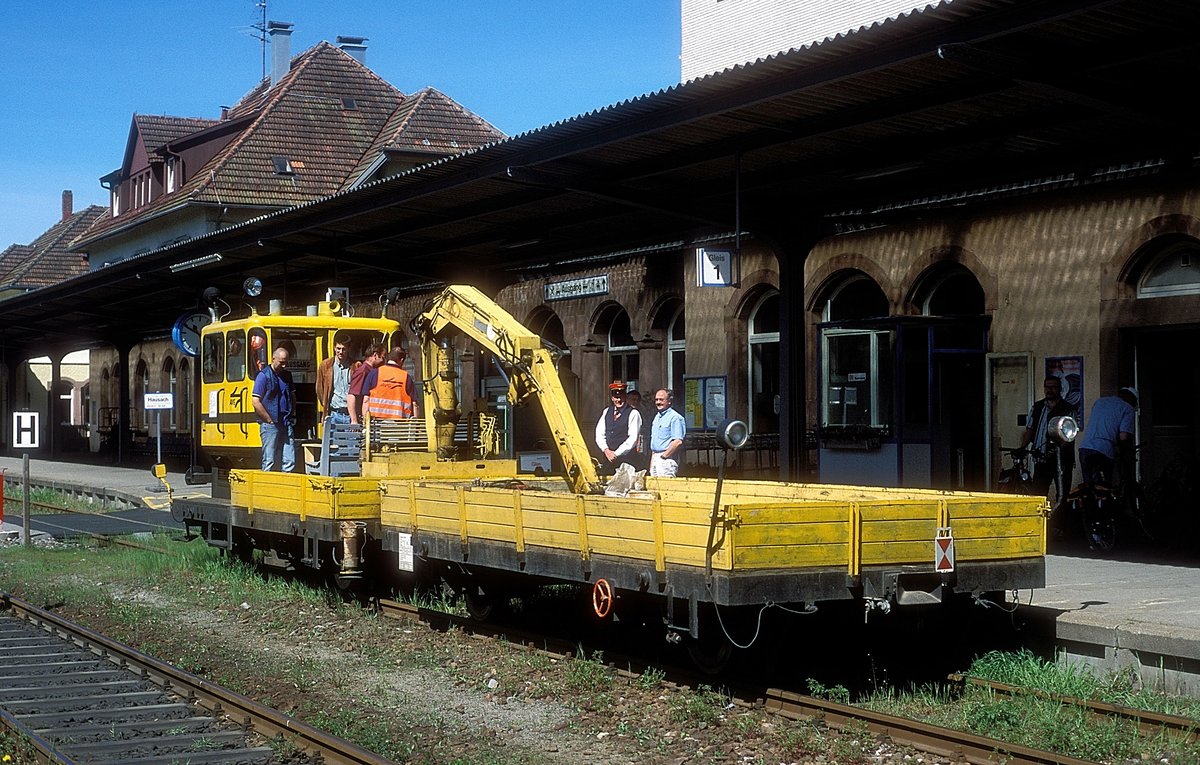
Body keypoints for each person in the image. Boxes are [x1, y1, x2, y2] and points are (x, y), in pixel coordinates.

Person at [1018, 375, 1076, 499]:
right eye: (1047, 387)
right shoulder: (1037, 407)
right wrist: (1022, 448)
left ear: (1060, 389)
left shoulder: (1068, 409)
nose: (1050, 390)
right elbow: (1030, 429)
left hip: (1061, 461)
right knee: (1038, 495)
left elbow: (1069, 437)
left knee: (1062, 496)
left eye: (1053, 387)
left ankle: (1059, 518)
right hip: (1041, 460)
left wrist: (1055, 450)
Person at [1077, 386, 1138, 486]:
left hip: (1085, 448)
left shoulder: (1100, 402)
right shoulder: (1127, 408)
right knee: (1105, 488)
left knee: (1089, 487)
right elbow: (1124, 436)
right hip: (1104, 450)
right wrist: (1127, 451)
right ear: (1132, 400)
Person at [251, 346, 296, 472]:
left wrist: (292, 413)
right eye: (281, 362)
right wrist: (268, 419)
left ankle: (287, 483)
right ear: (273, 359)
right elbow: (255, 401)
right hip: (270, 423)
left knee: (290, 459)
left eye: (286, 362)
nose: (284, 365)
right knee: (269, 459)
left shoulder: (287, 375)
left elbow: (292, 395)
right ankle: (266, 487)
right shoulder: (263, 376)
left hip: (285, 421)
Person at [594, 380, 642, 474]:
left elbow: (632, 439)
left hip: (626, 461)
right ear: (612, 398)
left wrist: (615, 454)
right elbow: (599, 434)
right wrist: (606, 450)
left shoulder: (633, 413)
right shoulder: (606, 412)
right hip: (608, 460)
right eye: (616, 397)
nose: (618, 400)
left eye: (621, 397)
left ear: (625, 396)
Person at [316, 333, 359, 425]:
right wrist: (325, 405)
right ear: (334, 348)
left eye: (344, 349)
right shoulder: (325, 366)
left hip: (351, 415)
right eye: (338, 348)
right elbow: (319, 389)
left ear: (348, 349)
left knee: (351, 439)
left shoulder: (356, 366)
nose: (340, 352)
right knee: (332, 440)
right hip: (333, 414)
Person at [362, 347, 417, 420]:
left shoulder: (374, 373)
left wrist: (366, 423)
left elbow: (366, 400)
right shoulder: (406, 377)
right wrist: (416, 425)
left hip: (376, 425)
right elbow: (415, 404)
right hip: (400, 427)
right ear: (402, 360)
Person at [649, 388, 686, 477]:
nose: (658, 402)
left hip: (667, 459)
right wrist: (653, 459)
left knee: (666, 488)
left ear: (669, 401)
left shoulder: (675, 417)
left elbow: (678, 441)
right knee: (654, 488)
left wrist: (664, 457)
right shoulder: (657, 417)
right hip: (655, 458)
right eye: (656, 399)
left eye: (661, 400)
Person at [347, 343, 386, 424]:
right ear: (375, 355)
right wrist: (354, 420)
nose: (384, 361)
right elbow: (351, 395)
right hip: (361, 419)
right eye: (383, 357)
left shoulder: (372, 371)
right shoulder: (363, 371)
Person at [626, 388, 652, 471]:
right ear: (627, 400)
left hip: (641, 447)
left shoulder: (641, 413)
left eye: (637, 400)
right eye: (633, 399)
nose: (635, 402)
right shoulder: (624, 414)